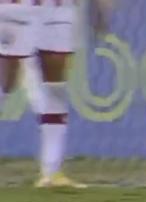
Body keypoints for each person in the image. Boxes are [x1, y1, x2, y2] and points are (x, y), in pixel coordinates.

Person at [0, 0, 114, 188]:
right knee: (6, 77)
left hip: (58, 6)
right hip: (17, 5)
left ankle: (51, 172)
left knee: (55, 83)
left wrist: (101, 6)